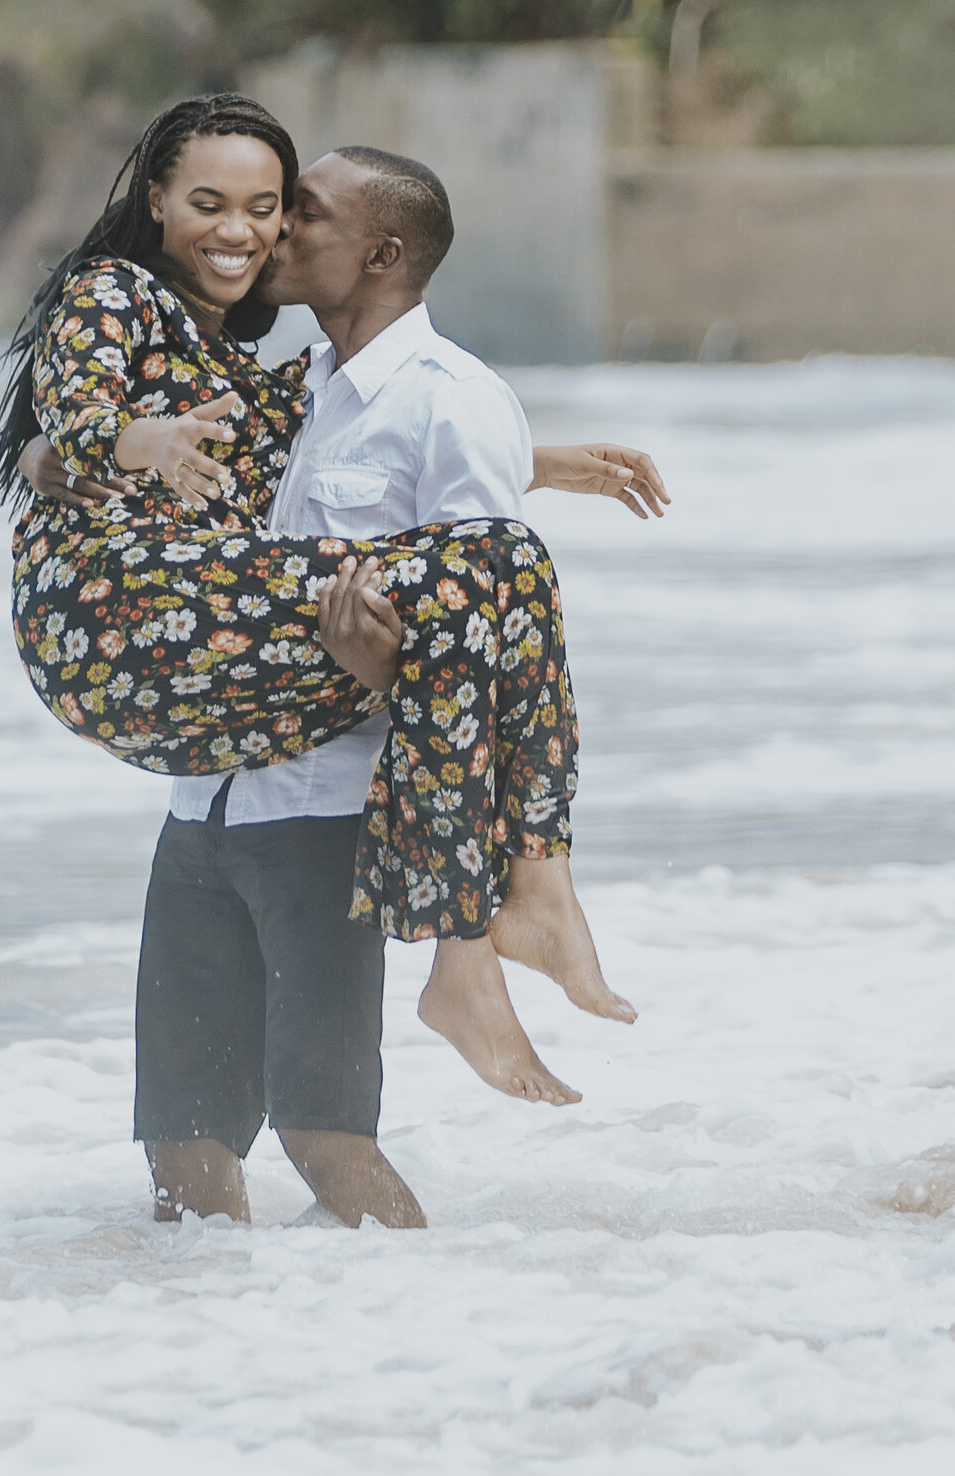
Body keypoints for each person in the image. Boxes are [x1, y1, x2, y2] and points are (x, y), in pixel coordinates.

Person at [34, 139, 669, 1231]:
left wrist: (382, 670)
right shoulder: (297, 393)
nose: (272, 232)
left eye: (302, 213)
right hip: (204, 807)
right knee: (180, 1149)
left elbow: (485, 635)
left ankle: (424, 1348)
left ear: (378, 252)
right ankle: (218, 1372)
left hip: (326, 820)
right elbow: (121, 466)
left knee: (324, 1134)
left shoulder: (450, 396)